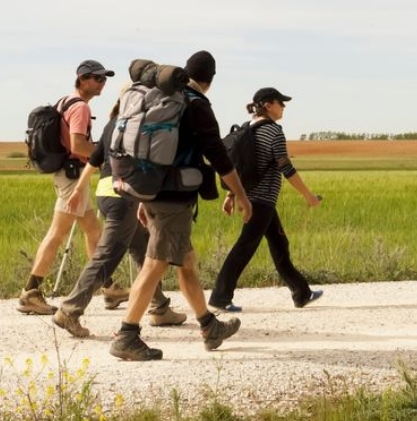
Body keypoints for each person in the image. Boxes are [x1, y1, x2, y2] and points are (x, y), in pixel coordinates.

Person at [109, 50, 253, 361]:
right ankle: (127, 335)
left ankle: (209, 325)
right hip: (173, 196)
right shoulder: (196, 105)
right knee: (156, 264)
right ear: (210, 80)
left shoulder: (165, 98)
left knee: (186, 262)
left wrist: (142, 197)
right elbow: (218, 155)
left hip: (151, 188)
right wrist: (240, 195)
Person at [52, 98, 187, 337]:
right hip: (124, 197)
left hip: (106, 193)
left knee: (142, 248)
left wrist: (79, 188)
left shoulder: (114, 123)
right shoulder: (139, 124)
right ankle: (70, 310)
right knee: (108, 256)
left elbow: (95, 159)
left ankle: (159, 307)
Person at [208, 87, 323, 313]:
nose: (284, 107)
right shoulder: (273, 132)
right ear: (268, 105)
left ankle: (301, 293)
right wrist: (308, 195)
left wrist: (231, 194)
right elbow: (286, 167)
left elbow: (241, 166)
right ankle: (220, 297)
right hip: (262, 200)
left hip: (252, 197)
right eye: (280, 103)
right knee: (245, 247)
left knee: (280, 244)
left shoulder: (246, 129)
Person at [17, 60, 114, 315]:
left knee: (94, 231)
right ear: (83, 79)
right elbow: (78, 146)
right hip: (72, 177)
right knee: (57, 234)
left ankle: (109, 287)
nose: (102, 83)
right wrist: (107, 154)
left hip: (69, 175)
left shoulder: (65, 101)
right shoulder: (80, 107)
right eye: (98, 78)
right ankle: (31, 292)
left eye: (104, 79)